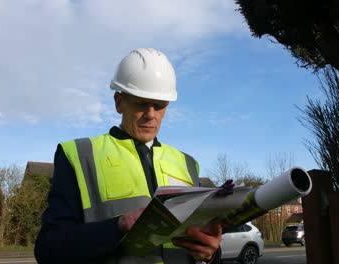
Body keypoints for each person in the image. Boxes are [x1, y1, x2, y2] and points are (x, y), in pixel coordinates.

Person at [34, 48, 222, 264]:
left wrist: (211, 254)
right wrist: (119, 226)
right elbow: (48, 249)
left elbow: (201, 245)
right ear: (119, 102)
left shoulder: (187, 164)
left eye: (158, 106)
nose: (151, 114)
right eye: (141, 103)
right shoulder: (80, 155)